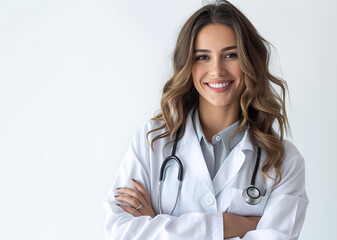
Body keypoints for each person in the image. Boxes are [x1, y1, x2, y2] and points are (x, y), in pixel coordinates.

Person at [103, 1, 308, 239]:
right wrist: (226, 225)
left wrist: (159, 225)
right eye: (203, 57)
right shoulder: (151, 142)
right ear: (188, 65)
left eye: (231, 55)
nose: (217, 70)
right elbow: (119, 232)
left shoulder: (283, 162)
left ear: (250, 61)